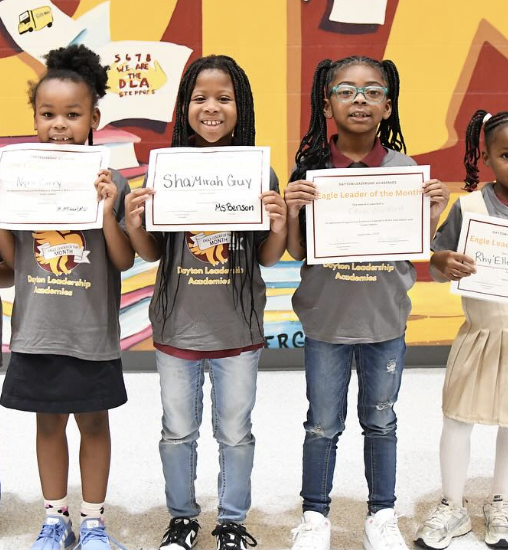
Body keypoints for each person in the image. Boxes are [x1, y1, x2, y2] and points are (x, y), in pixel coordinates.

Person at [284, 56, 450, 550]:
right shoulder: (311, 169)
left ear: (388, 105)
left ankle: (382, 514)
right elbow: (297, 251)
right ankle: (315, 516)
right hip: (325, 321)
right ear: (327, 102)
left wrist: (433, 213)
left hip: (384, 321)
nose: (360, 99)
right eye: (346, 90)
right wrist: (293, 209)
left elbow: (416, 247)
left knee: (381, 418)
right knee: (322, 423)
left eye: (372, 91)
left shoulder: (405, 173)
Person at [124, 54, 287, 550]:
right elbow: (152, 251)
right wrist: (135, 221)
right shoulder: (168, 170)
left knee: (235, 433)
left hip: (237, 330)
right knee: (177, 431)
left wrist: (279, 224)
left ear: (242, 106)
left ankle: (233, 521)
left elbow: (267, 257)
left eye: (224, 98)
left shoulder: (260, 173)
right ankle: (182, 518)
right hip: (177, 328)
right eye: (199, 98)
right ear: (184, 106)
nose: (211, 107)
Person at [0, 44, 134, 550]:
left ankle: (95, 523)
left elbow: (122, 260)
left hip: (91, 333)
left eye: (73, 115)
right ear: (34, 117)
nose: (60, 125)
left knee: (94, 424)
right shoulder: (16, 178)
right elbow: (13, 262)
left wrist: (106, 211)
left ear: (93, 117)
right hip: (36, 328)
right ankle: (55, 519)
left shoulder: (111, 183)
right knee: (48, 425)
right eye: (48, 114)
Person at [415, 110, 508, 550]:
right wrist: (443, 263)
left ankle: (501, 501)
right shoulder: (468, 207)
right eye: (507, 154)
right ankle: (452, 505)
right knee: (457, 419)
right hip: (480, 335)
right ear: (487, 157)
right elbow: (435, 261)